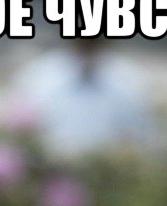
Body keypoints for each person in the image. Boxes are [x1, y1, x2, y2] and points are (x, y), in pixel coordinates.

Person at [13, 37, 156, 159]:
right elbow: (19, 133)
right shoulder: (38, 75)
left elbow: (144, 137)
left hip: (109, 178)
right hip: (51, 174)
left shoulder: (129, 80)